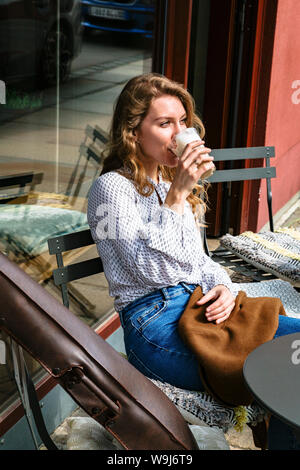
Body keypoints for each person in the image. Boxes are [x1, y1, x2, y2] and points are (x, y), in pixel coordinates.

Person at [87, 73, 300, 450]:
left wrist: (223, 286)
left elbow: (198, 262)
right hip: (153, 323)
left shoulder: (169, 187)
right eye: (165, 123)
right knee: (286, 369)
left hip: (197, 305)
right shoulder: (111, 188)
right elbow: (150, 272)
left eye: (182, 121)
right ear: (133, 132)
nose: (178, 132)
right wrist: (179, 195)